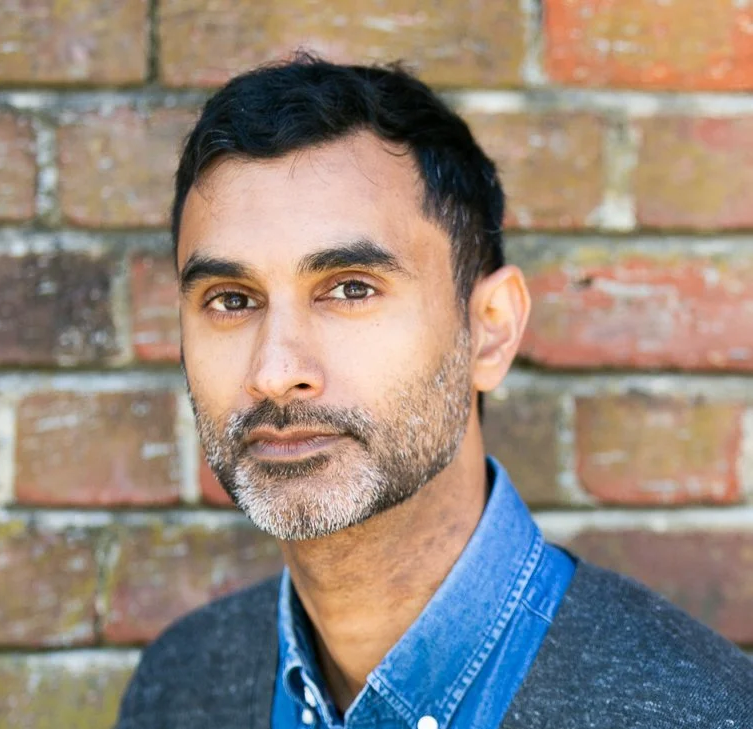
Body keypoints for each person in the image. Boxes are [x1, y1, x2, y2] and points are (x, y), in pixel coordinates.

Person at [114, 55, 753, 729]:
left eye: (351, 288)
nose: (275, 371)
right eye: (232, 299)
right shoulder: (177, 688)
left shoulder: (700, 711)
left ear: (490, 331)